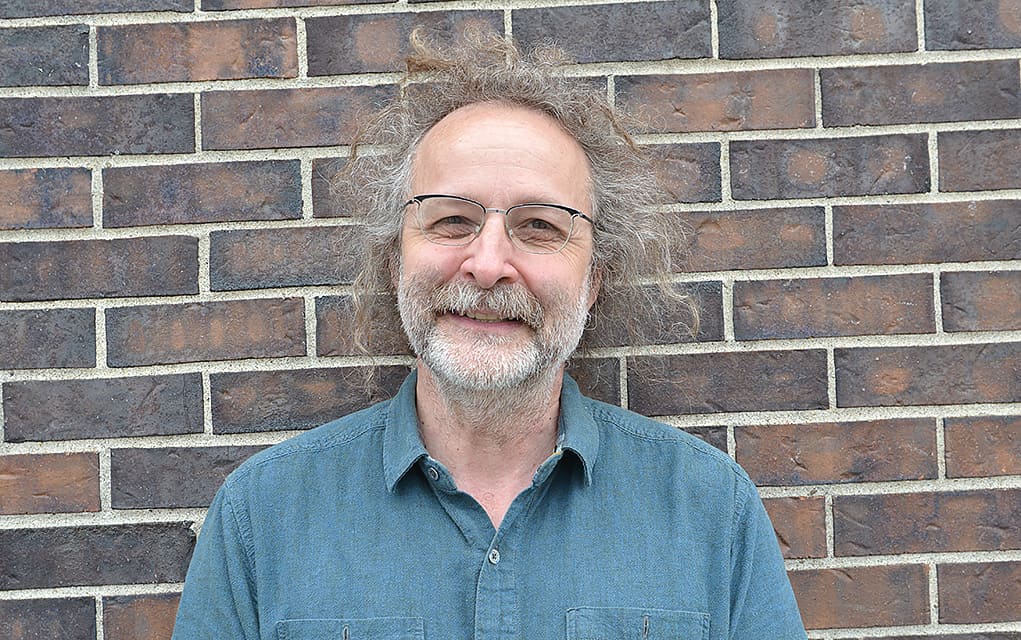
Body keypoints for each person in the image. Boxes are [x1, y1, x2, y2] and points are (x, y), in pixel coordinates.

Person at [171, 28, 807, 640]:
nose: (488, 263)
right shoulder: (262, 517)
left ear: (593, 281)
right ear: (395, 263)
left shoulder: (711, 512)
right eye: (451, 220)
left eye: (539, 227)